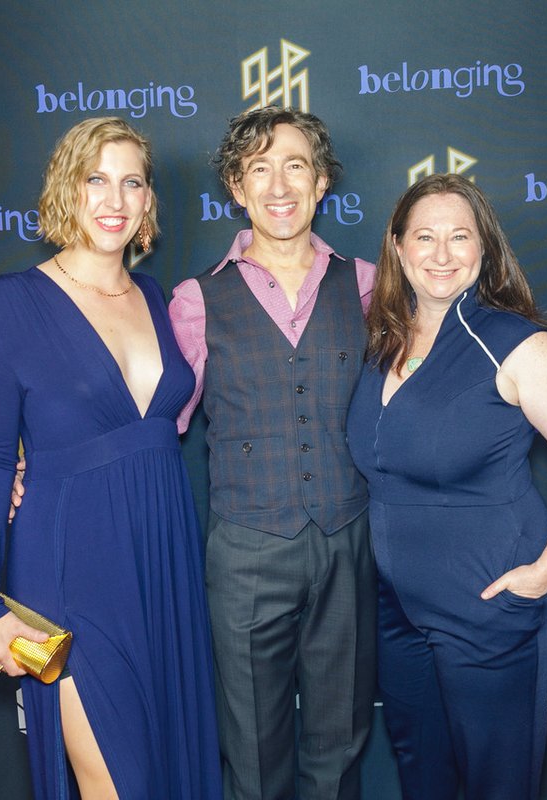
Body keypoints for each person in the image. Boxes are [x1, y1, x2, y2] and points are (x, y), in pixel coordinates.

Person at [0, 117, 221, 800]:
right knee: (116, 780)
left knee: (171, 770)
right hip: (70, 566)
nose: (114, 198)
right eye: (95, 179)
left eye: (131, 181)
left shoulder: (158, 299)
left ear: (147, 202)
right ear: (65, 190)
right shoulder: (7, 305)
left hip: (164, 559)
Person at [345, 174, 547, 800]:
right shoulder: (382, 342)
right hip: (398, 609)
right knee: (424, 775)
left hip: (489, 602)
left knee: (497, 782)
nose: (442, 254)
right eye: (425, 237)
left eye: (460, 237)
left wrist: (545, 573)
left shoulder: (519, 346)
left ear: (485, 248)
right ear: (397, 248)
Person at [168, 106, 378, 800]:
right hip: (248, 548)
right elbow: (152, 420)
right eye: (259, 167)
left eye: (295, 164)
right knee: (253, 753)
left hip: (347, 537)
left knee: (341, 741)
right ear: (236, 185)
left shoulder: (374, 285)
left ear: (322, 183)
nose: (278, 184)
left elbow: (428, 395)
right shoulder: (196, 301)